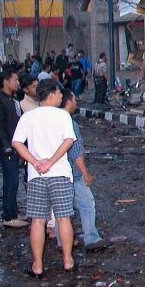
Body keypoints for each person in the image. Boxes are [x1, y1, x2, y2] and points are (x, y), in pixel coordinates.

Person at [11, 78, 78, 277]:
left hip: (36, 176)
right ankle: (67, 261)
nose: (60, 97)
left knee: (38, 221)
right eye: (59, 93)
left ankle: (38, 265)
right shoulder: (62, 116)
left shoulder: (28, 117)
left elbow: (17, 143)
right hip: (59, 174)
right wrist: (50, 161)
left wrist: (35, 162)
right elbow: (68, 141)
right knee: (63, 219)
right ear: (51, 94)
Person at [60, 89, 106, 250]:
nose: (76, 102)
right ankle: (91, 238)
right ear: (68, 101)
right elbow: (76, 151)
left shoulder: (51, 121)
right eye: (74, 99)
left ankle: (62, 241)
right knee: (87, 204)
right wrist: (85, 173)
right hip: (72, 172)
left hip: (56, 173)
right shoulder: (69, 123)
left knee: (62, 209)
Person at [0, 68, 28, 228]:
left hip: (14, 145)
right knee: (10, 180)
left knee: (14, 180)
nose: (18, 83)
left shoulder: (12, 100)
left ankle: (13, 212)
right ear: (6, 81)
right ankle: (9, 216)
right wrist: (6, 146)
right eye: (15, 80)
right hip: (6, 148)